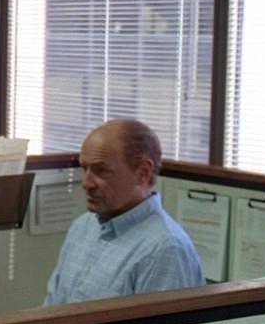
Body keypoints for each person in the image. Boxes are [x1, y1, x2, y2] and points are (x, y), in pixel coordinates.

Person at [43, 118, 204, 306]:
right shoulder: (83, 226)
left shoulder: (165, 250)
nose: (87, 183)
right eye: (85, 169)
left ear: (143, 173)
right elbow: (52, 308)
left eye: (102, 171)